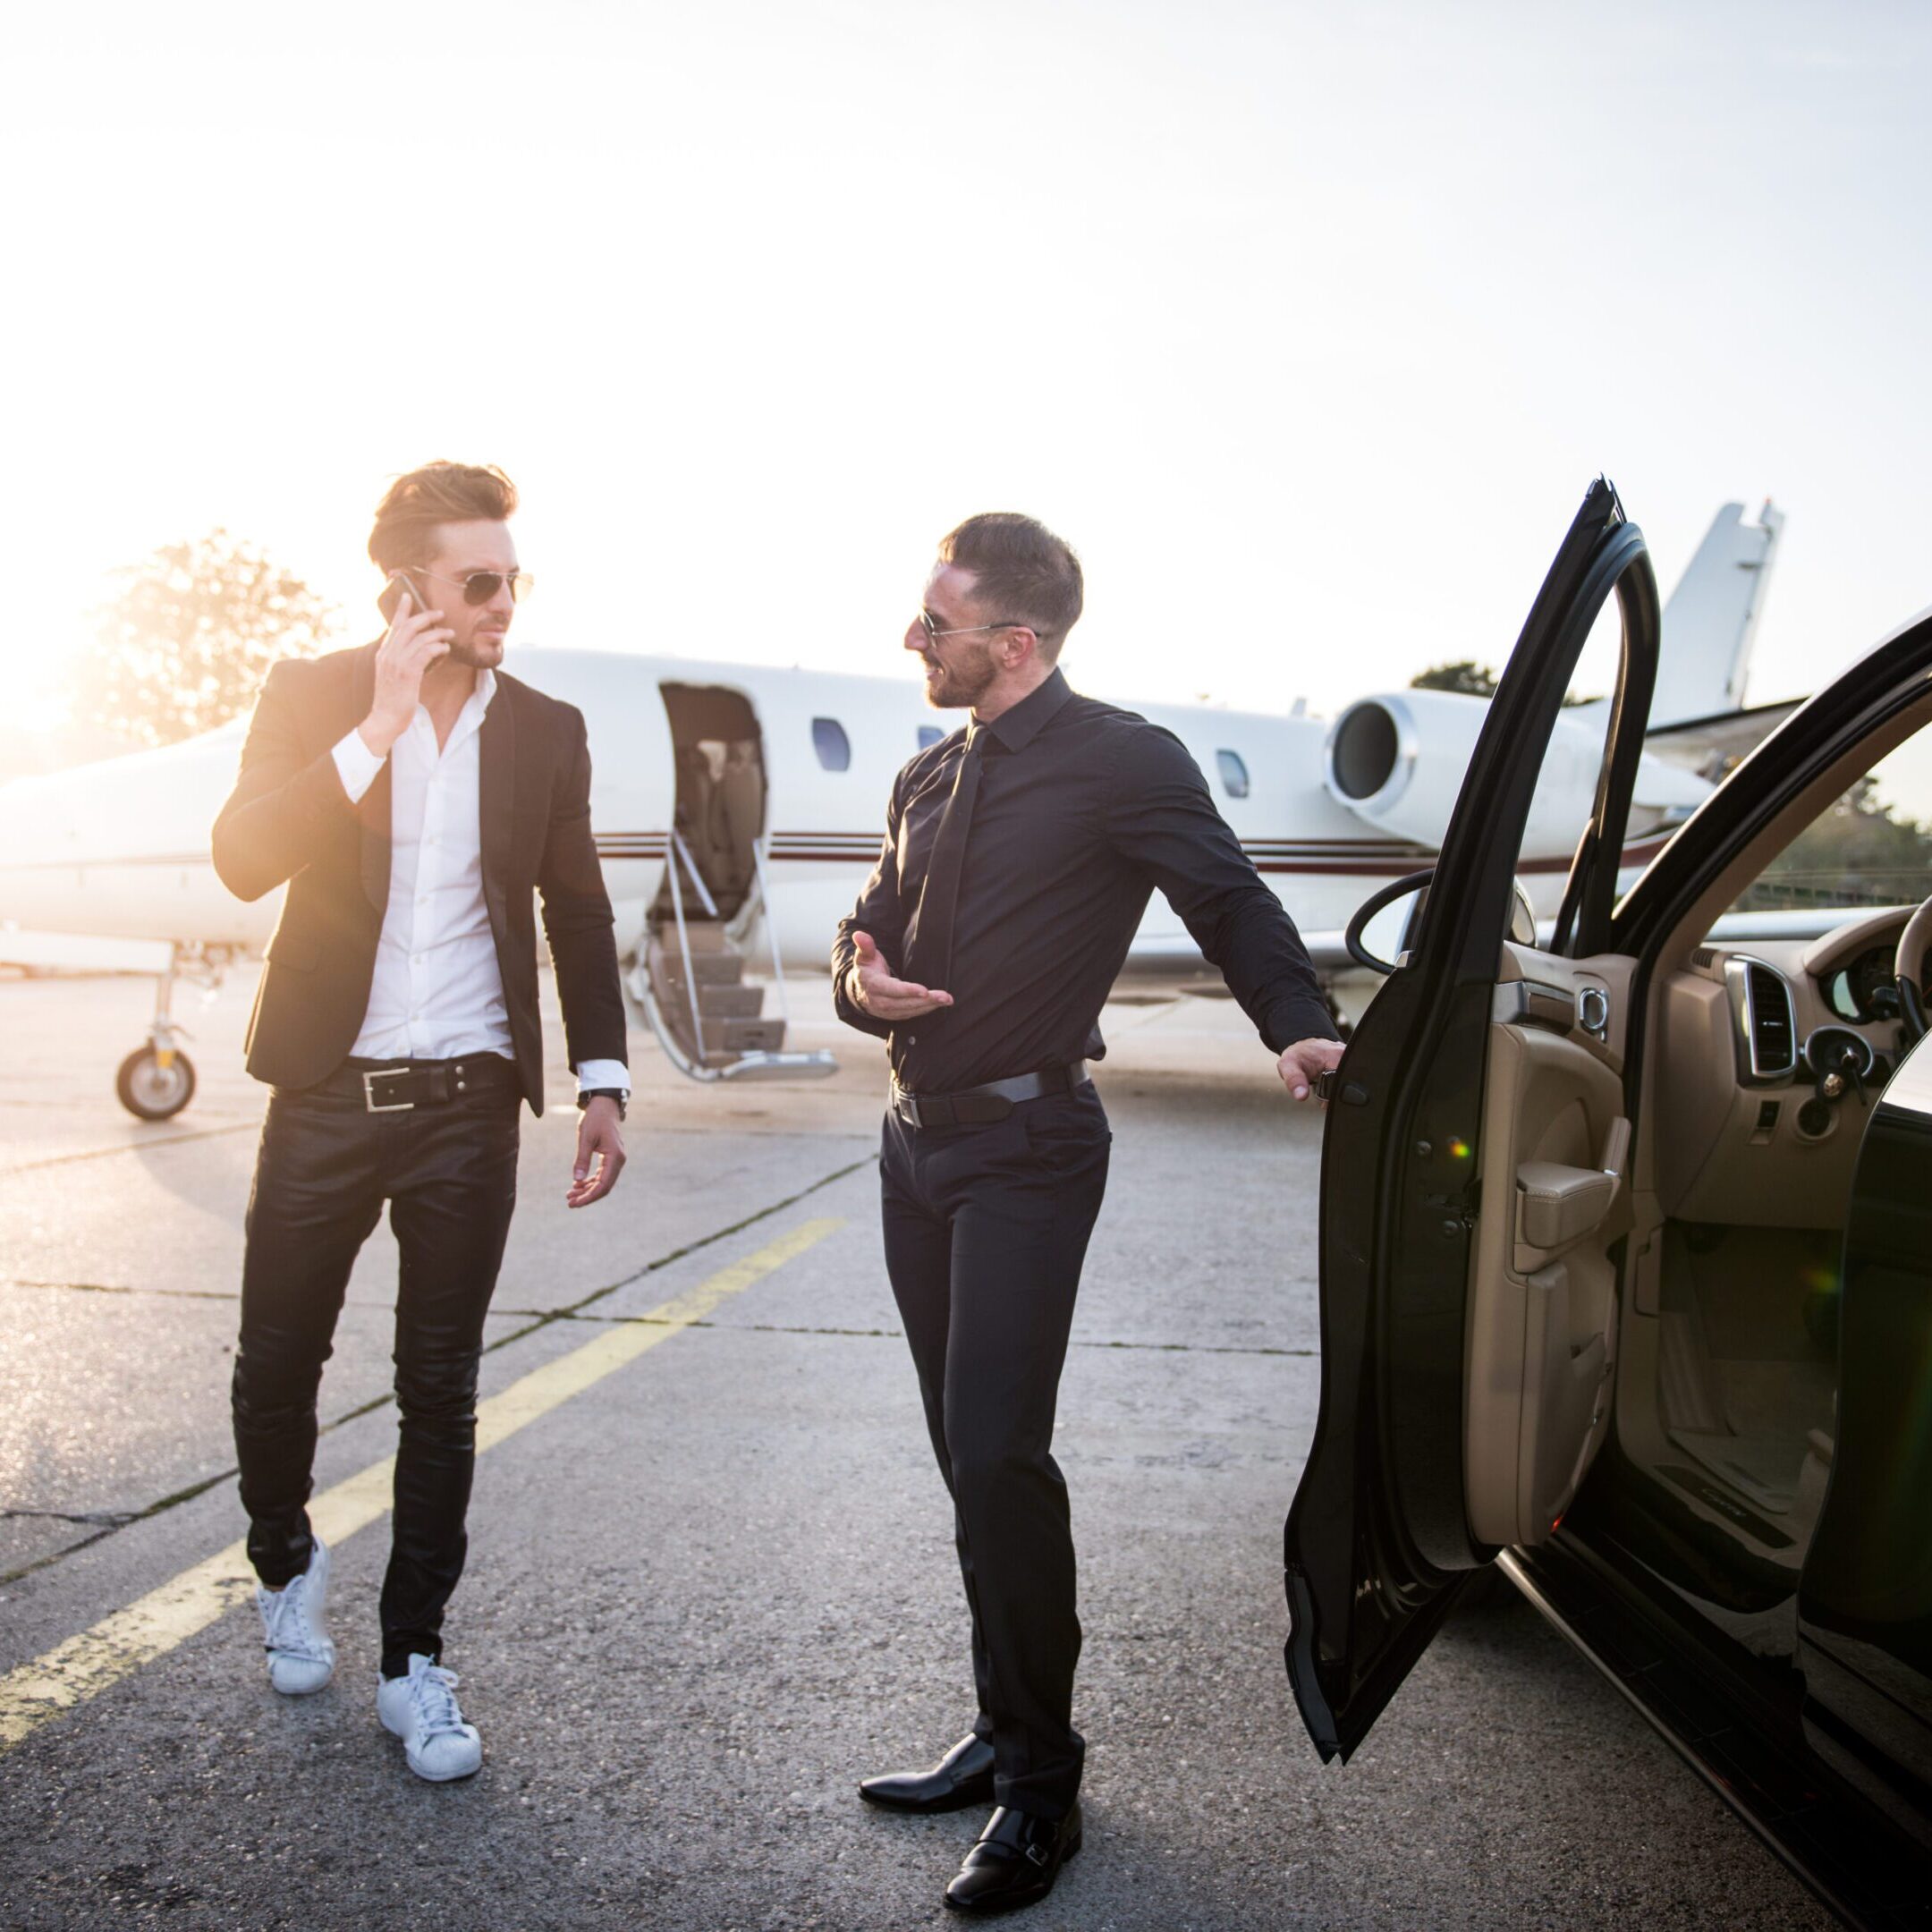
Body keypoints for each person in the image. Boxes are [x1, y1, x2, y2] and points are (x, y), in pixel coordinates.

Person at [832, 513, 1343, 1913]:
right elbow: (864, 937)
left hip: (1030, 1148)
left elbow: (1229, 900)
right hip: (914, 1147)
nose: (912, 639)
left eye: (935, 624)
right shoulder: (926, 773)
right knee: (965, 1459)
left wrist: (1296, 1024)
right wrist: (861, 984)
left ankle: (1041, 1792)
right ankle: (1003, 1728)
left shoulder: (1127, 760)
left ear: (1015, 642)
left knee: (1001, 1455)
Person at [211, 462, 631, 1782]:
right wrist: (377, 727)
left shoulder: (548, 729)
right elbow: (242, 858)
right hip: (325, 1092)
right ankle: (285, 1562)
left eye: (514, 577)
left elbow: (578, 911)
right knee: (277, 1361)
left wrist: (603, 1079)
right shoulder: (311, 692)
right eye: (480, 580)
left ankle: (412, 1661)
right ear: (408, 588)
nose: (506, 601)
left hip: (468, 1102)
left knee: (440, 1389)